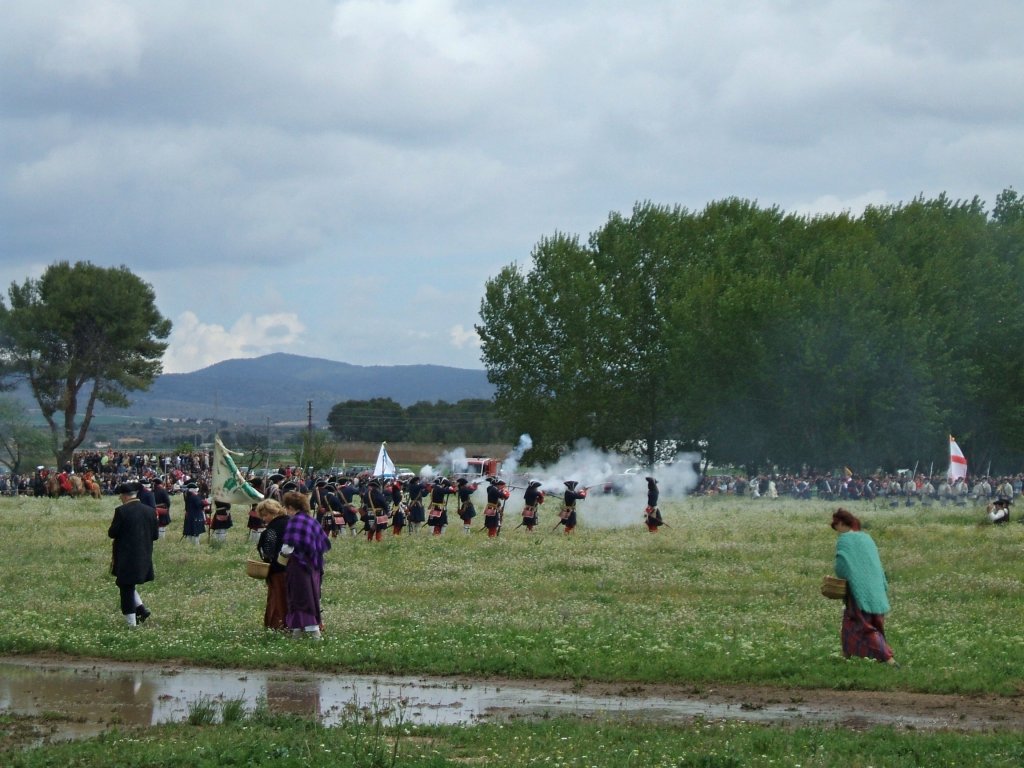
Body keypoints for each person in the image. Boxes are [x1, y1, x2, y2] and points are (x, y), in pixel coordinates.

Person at [831, 508, 897, 666]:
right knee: (868, 622)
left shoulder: (844, 540)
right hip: (875, 588)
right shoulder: (867, 538)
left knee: (863, 626)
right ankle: (845, 655)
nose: (837, 531)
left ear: (840, 523)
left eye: (836, 527)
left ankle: (889, 659)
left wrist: (842, 578)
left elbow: (842, 564)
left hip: (858, 589)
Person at [280, 490, 331, 639]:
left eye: (286, 507)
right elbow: (321, 543)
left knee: (301, 598)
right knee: (310, 595)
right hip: (313, 565)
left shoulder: (295, 521)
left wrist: (280, 558)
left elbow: (288, 547)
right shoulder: (311, 520)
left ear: (290, 507)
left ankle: (314, 633)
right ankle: (296, 632)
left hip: (299, 565)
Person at [108, 481, 159, 627]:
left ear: (124, 496)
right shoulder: (150, 511)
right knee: (126, 584)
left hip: (126, 556)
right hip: (144, 554)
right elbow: (155, 535)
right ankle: (141, 609)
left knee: (125, 586)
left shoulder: (121, 511)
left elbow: (112, 533)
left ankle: (131, 623)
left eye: (121, 497)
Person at [255, 498, 290, 630]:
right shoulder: (291, 523)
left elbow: (268, 553)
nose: (264, 519)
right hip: (296, 568)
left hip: (278, 570)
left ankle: (279, 626)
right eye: (262, 515)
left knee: (278, 599)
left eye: (266, 515)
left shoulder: (271, 530)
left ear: (274, 512)